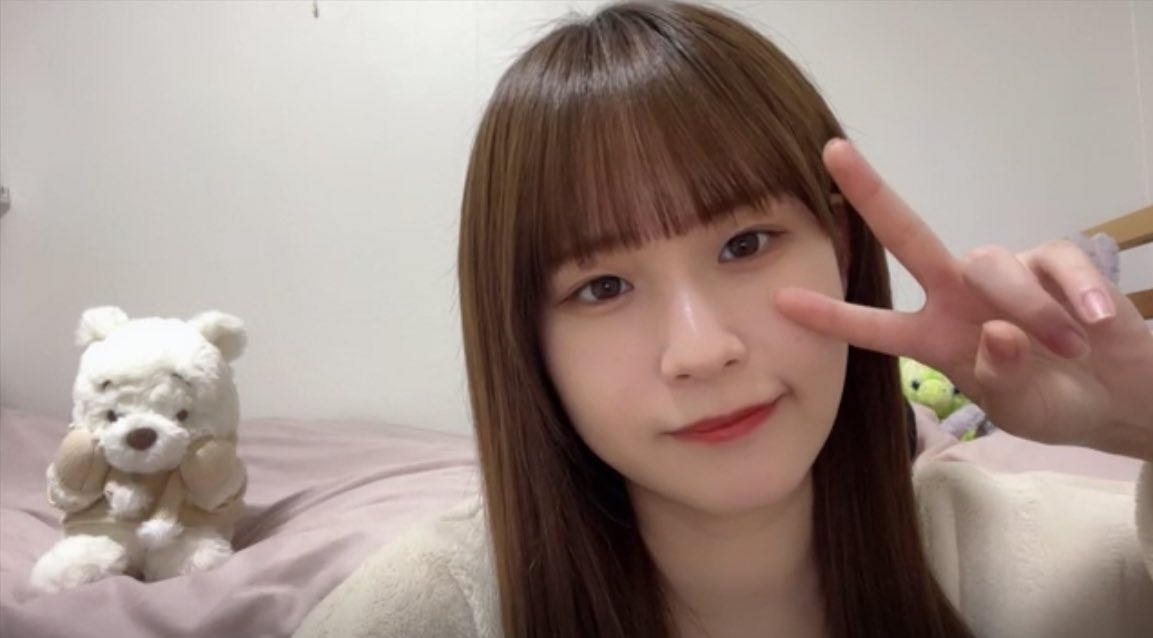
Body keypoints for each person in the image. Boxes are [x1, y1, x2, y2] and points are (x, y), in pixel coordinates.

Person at [294, 2, 1153, 637]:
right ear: (526, 339)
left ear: (839, 246)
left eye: (745, 243)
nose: (701, 350)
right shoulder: (423, 612)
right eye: (601, 287)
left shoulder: (1065, 573)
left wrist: (1140, 423)